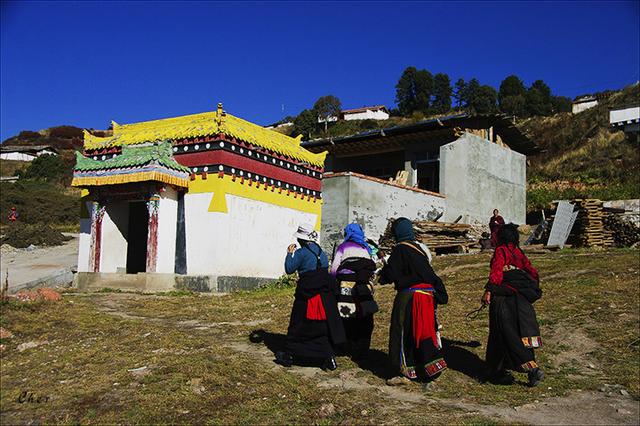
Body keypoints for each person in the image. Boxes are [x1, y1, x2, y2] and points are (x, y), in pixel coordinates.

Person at [379, 217, 448, 384]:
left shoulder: (400, 249)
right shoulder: (420, 249)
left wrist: (384, 270)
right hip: (428, 296)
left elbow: (392, 274)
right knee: (424, 331)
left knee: (403, 332)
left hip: (410, 297)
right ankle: (429, 368)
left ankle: (405, 370)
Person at [481, 223, 545, 387]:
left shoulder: (501, 250)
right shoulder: (518, 252)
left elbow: (496, 272)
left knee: (506, 334)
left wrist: (489, 290)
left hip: (504, 299)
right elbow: (532, 273)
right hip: (521, 300)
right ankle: (497, 371)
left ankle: (532, 369)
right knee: (517, 334)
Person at [276, 224, 345, 370]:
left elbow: (289, 269)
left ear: (301, 239)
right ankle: (328, 357)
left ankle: (290, 355)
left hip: (306, 294)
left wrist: (290, 254)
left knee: (299, 324)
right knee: (320, 327)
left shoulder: (301, 253)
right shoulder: (321, 252)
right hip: (323, 297)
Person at [330, 223, 378, 360]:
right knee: (363, 314)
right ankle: (361, 347)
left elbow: (334, 269)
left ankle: (345, 345)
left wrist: (334, 284)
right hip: (363, 286)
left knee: (345, 314)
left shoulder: (343, 247)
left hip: (346, 284)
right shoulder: (366, 248)